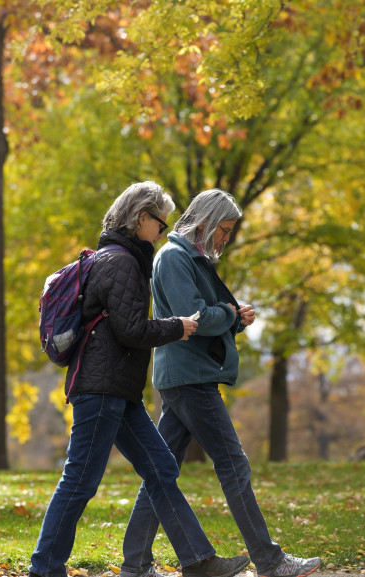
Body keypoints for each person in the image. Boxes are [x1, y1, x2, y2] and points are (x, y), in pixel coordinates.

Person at [29, 182, 251, 577]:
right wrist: (176, 327)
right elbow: (130, 330)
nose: (162, 233)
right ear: (141, 217)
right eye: (160, 224)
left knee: (162, 468)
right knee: (80, 481)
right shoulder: (121, 262)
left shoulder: (121, 259)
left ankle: (197, 561)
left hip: (120, 389)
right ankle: (45, 568)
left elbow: (123, 328)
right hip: (101, 389)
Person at [119, 189, 323, 577]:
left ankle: (135, 566)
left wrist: (232, 319)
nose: (226, 239)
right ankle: (271, 561)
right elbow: (192, 317)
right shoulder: (176, 256)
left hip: (183, 376)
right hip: (190, 377)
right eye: (224, 230)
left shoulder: (185, 257)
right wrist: (229, 313)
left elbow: (208, 319)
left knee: (161, 472)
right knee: (233, 465)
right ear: (206, 223)